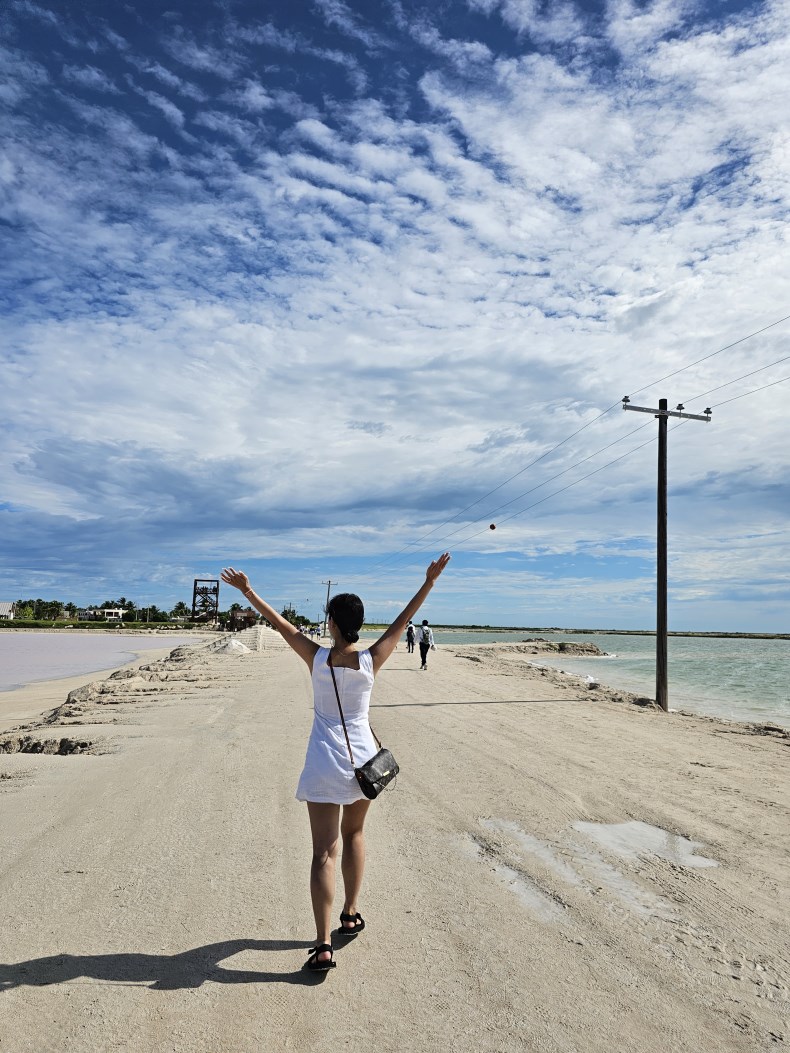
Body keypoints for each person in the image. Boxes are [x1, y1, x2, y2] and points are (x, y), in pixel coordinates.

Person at [220, 552, 451, 973]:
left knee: (323, 853)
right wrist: (429, 582)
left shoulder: (316, 658)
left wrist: (248, 591)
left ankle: (323, 944)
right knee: (355, 834)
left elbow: (280, 624)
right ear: (357, 624)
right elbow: (402, 620)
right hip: (363, 762)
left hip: (324, 763)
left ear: (331, 623)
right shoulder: (371, 660)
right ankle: (350, 912)